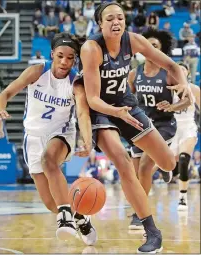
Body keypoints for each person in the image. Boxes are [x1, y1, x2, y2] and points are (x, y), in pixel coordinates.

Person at [77, 2, 192, 253]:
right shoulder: (91, 49)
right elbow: (93, 98)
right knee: (123, 162)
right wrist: (116, 113)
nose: (116, 22)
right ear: (100, 23)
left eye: (120, 17)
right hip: (102, 112)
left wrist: (183, 83)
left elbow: (172, 66)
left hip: (127, 106)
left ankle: (166, 167)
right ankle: (152, 232)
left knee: (168, 163)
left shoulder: (135, 40)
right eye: (110, 19)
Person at [0, 32, 97, 245]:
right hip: (32, 137)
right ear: (52, 54)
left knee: (49, 160)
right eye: (60, 55)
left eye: (70, 58)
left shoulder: (76, 83)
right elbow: (4, 94)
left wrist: (87, 140)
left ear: (75, 60)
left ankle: (66, 218)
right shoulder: (36, 72)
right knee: (51, 202)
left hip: (61, 133)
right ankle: (79, 216)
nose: (64, 61)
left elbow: (82, 113)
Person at [127, 28, 190, 230]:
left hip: (163, 125)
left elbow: (188, 101)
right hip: (141, 125)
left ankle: (140, 215)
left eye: (155, 46)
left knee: (145, 166)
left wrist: (173, 106)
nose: (150, 49)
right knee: (138, 174)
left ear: (161, 51)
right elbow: (129, 99)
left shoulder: (169, 74)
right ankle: (165, 168)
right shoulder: (134, 75)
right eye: (148, 45)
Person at [157, 62, 200, 211]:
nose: (180, 71)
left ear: (187, 73)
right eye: (178, 69)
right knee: (167, 162)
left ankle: (182, 196)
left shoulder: (194, 89)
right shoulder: (167, 89)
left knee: (183, 160)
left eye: (183, 70)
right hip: (172, 128)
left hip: (188, 127)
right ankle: (167, 169)